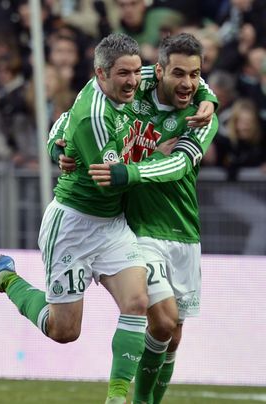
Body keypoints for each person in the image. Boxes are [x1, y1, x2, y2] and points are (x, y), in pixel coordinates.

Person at [0, 33, 150, 404]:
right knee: (64, 331)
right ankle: (5, 277)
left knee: (138, 303)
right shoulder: (95, 116)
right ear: (101, 73)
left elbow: (58, 127)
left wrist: (55, 149)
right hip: (74, 226)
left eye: (136, 72)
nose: (132, 82)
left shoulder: (126, 84)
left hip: (111, 227)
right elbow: (112, 183)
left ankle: (117, 397)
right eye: (123, 74)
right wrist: (163, 167)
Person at [61, 33, 219, 403]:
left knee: (173, 335)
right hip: (138, 228)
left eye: (195, 76)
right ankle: (130, 398)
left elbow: (180, 164)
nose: (187, 84)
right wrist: (58, 143)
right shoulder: (135, 86)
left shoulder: (201, 117)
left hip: (182, 228)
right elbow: (75, 111)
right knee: (160, 321)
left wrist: (129, 170)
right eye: (178, 73)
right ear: (159, 70)